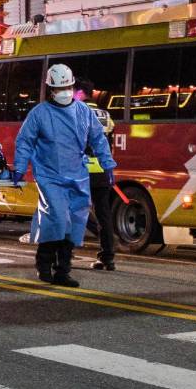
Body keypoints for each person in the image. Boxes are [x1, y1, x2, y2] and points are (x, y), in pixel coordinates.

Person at [11, 64, 116, 288]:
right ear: (51, 89)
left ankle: (63, 270)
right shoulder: (39, 113)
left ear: (72, 85)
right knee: (57, 218)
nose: (64, 91)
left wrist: (108, 165)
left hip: (77, 174)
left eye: (67, 86)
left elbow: (98, 139)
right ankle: (44, 263)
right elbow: (25, 141)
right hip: (50, 176)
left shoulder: (83, 112)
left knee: (75, 223)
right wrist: (19, 168)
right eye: (60, 88)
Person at [76, 79, 118, 271]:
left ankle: (65, 256)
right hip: (101, 171)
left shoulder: (78, 111)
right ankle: (108, 257)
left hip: (81, 170)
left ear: (79, 92)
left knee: (72, 211)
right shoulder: (106, 115)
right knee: (103, 214)